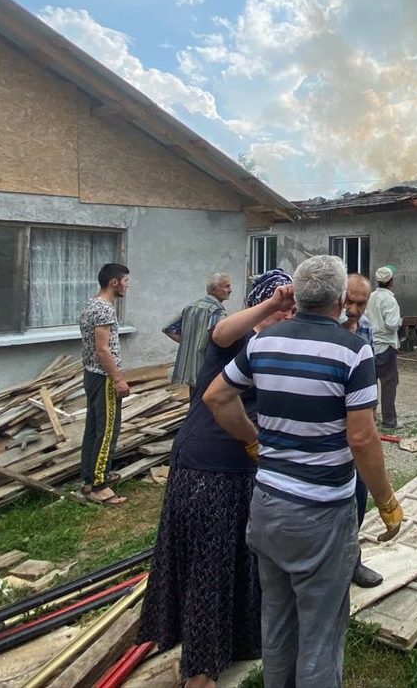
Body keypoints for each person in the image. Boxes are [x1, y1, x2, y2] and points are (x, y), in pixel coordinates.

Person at [204, 255, 404, 688]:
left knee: (276, 621)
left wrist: (254, 441)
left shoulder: (263, 342)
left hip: (268, 505)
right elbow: (362, 438)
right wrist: (386, 501)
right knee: (320, 632)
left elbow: (216, 397)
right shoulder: (352, 350)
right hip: (322, 515)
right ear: (340, 299)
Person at [139, 270, 294, 688]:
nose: (288, 315)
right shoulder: (237, 337)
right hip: (208, 467)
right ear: (260, 305)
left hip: (242, 468)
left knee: (238, 560)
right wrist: (272, 304)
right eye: (282, 308)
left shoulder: (274, 347)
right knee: (209, 567)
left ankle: (233, 644)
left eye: (293, 309)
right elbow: (220, 332)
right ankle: (201, 673)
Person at [341, 273, 383, 589]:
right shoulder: (325, 327)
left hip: (359, 424)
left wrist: (372, 411)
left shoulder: (365, 326)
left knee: (358, 493)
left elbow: (368, 375)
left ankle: (352, 561)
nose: (353, 309)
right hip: (330, 429)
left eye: (360, 303)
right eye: (349, 301)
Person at [78, 262, 130, 506]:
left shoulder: (91, 304)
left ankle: (89, 478)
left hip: (91, 374)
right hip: (104, 377)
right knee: (108, 430)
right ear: (114, 282)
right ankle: (99, 485)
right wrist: (117, 378)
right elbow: (102, 350)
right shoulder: (104, 309)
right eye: (125, 282)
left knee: (93, 428)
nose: (127, 286)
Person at [163, 272, 232, 389]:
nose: (230, 290)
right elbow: (220, 338)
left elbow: (168, 328)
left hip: (189, 371)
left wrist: (189, 343)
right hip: (207, 370)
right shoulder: (216, 310)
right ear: (214, 290)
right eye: (227, 286)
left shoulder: (191, 306)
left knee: (194, 398)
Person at [365, 264, 402, 430]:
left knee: (370, 384)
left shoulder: (371, 297)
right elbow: (392, 324)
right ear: (391, 281)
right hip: (386, 345)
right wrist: (400, 321)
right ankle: (389, 420)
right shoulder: (389, 300)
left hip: (371, 344)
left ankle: (369, 418)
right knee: (389, 384)